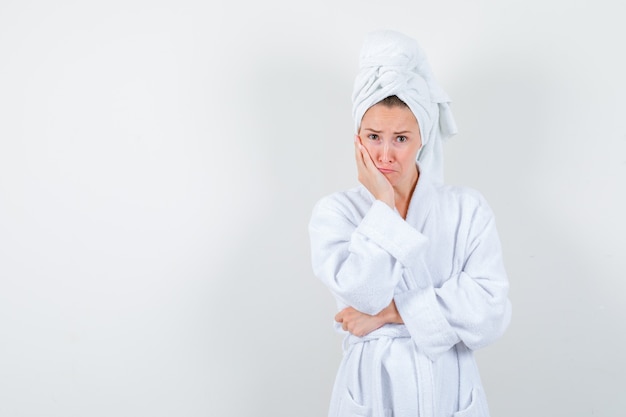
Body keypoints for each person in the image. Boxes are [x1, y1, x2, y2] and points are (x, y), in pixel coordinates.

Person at [308, 30, 512, 417]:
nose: (385, 155)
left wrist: (389, 314)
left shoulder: (466, 209)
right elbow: (364, 296)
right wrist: (383, 206)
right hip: (373, 388)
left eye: (400, 138)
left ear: (423, 138)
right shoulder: (334, 214)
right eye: (373, 136)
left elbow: (491, 312)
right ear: (357, 140)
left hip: (448, 388)